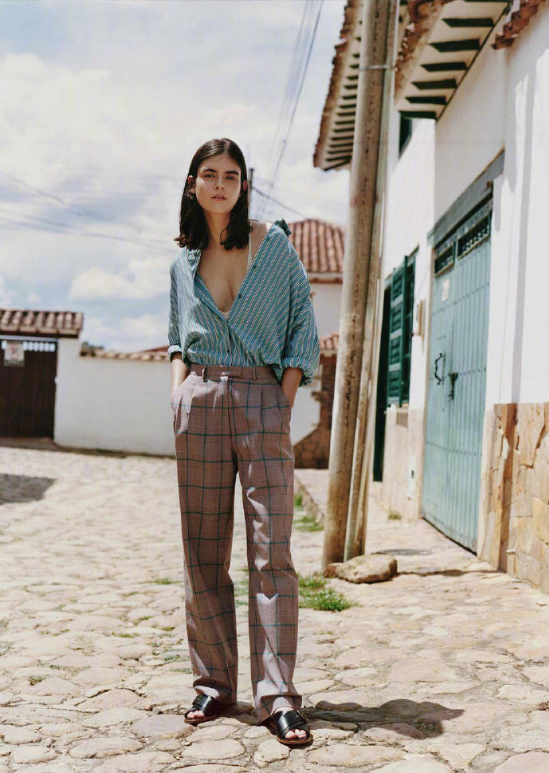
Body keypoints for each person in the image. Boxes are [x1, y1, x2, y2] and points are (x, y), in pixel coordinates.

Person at [168, 138, 320, 747]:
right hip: (200, 400)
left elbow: (302, 324)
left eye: (231, 176)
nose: (220, 184)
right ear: (193, 184)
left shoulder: (273, 246)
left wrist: (282, 400)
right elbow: (177, 336)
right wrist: (178, 394)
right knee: (203, 551)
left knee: (271, 551)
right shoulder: (183, 261)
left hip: (262, 399)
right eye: (209, 174)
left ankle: (277, 696)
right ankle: (213, 683)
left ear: (243, 185)